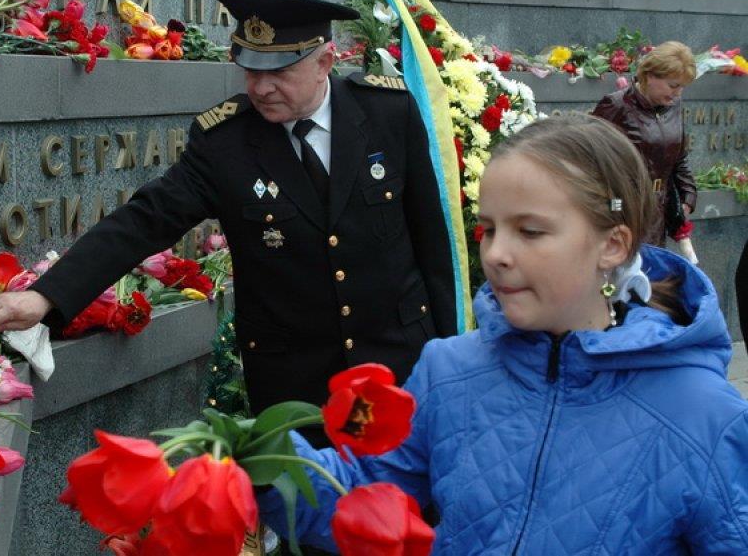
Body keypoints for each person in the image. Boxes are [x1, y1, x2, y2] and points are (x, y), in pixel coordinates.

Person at [0, 0, 458, 433]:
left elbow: (432, 248)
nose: (261, 88)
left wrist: (451, 361)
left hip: (398, 368)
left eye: (279, 72)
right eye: (251, 70)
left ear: (325, 62)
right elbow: (147, 218)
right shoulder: (226, 142)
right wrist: (47, 296)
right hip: (297, 393)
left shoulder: (388, 114)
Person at [260, 115, 748, 554]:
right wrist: (262, 462)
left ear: (612, 245)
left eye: (530, 231)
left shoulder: (703, 414)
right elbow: (363, 493)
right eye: (488, 230)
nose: (495, 254)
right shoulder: (448, 370)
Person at [592, 40, 698, 246]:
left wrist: (688, 197)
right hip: (623, 212)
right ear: (650, 76)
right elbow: (592, 161)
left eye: (682, 87)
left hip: (657, 212)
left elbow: (679, 157)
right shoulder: (616, 105)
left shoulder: (674, 106)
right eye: (673, 85)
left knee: (651, 265)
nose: (678, 93)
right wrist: (613, 210)